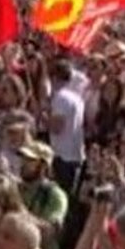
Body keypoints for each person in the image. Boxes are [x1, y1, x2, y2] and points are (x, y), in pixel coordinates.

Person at [47, 60, 84, 193]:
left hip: (62, 156)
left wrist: (43, 116)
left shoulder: (60, 98)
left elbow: (57, 127)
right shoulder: (77, 97)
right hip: (75, 154)